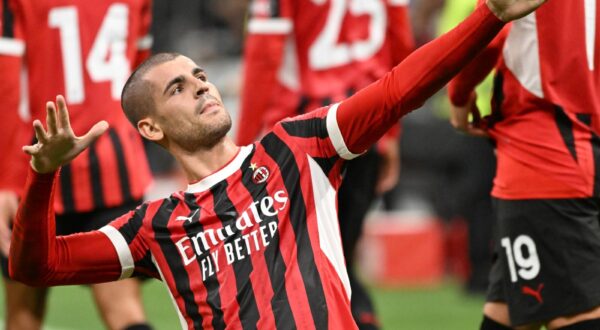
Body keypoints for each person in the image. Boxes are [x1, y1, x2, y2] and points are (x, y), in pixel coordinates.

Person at [8, 0, 544, 328]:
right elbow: (35, 267)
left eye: (200, 76)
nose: (201, 87)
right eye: (178, 88)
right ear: (150, 128)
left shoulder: (294, 150)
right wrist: (43, 175)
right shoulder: (154, 227)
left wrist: (489, 15)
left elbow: (396, 89)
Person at [236, 0, 414, 327]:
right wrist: (391, 132)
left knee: (297, 260)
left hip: (303, 133)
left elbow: (265, 53)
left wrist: (241, 144)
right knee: (339, 258)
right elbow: (402, 48)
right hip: (365, 125)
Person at [0, 0, 154, 329]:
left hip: (36, 163)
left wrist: (6, 181)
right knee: (124, 312)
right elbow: (142, 74)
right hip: (113, 167)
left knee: (23, 316)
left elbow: (7, 84)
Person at [448, 1, 600, 329]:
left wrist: (459, 94)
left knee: (573, 310)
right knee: (508, 308)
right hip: (582, 144)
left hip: (545, 149)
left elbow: (492, 21)